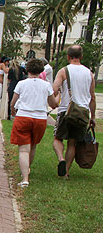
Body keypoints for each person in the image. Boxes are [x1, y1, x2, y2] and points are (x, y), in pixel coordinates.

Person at [9, 58, 59, 186]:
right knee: (33, 145)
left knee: (23, 149)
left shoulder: (21, 84)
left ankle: (25, 178)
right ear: (41, 70)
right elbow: (53, 103)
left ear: (27, 69)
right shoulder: (46, 85)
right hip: (40, 118)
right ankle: (27, 169)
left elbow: (13, 102)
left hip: (24, 116)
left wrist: (13, 111)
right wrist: (59, 96)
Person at [51, 45, 96, 178]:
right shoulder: (89, 73)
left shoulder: (64, 71)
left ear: (68, 57)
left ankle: (61, 159)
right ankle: (66, 172)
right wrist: (92, 117)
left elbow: (54, 88)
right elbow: (92, 97)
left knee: (58, 138)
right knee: (72, 142)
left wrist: (58, 94)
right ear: (81, 57)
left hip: (66, 110)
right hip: (82, 112)